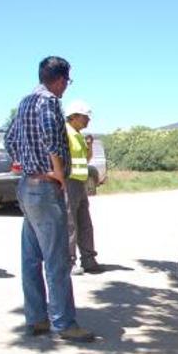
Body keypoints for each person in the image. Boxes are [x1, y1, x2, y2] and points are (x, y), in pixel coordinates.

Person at [4, 56, 94, 343]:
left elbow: (9, 139)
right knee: (57, 258)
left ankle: (36, 318)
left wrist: (23, 162)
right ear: (60, 79)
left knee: (31, 258)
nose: (66, 86)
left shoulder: (25, 101)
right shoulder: (50, 103)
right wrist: (57, 174)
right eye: (67, 81)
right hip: (45, 186)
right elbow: (51, 138)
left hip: (26, 185)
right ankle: (64, 323)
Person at [64, 99, 101, 275]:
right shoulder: (66, 133)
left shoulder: (77, 134)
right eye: (85, 117)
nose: (88, 120)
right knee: (70, 223)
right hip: (69, 182)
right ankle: (69, 262)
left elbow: (85, 160)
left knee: (85, 223)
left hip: (79, 183)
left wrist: (90, 145)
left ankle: (88, 259)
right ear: (74, 117)